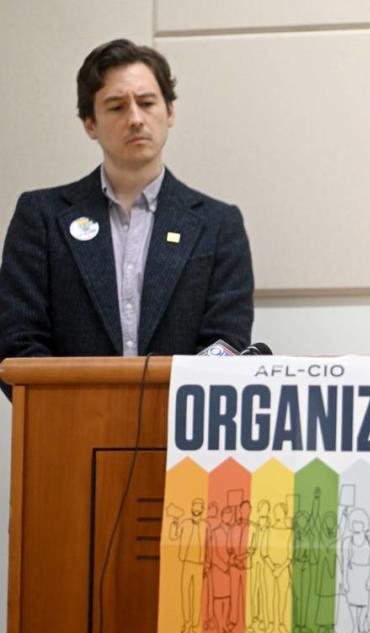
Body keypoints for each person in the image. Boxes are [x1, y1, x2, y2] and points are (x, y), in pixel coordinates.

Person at [0, 39, 254, 395]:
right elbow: (17, 341)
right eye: (117, 107)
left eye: (147, 103)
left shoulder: (218, 224)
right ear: (90, 123)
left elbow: (227, 345)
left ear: (170, 112)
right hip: (68, 434)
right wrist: (80, 415)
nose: (135, 118)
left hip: (180, 439)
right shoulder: (41, 217)